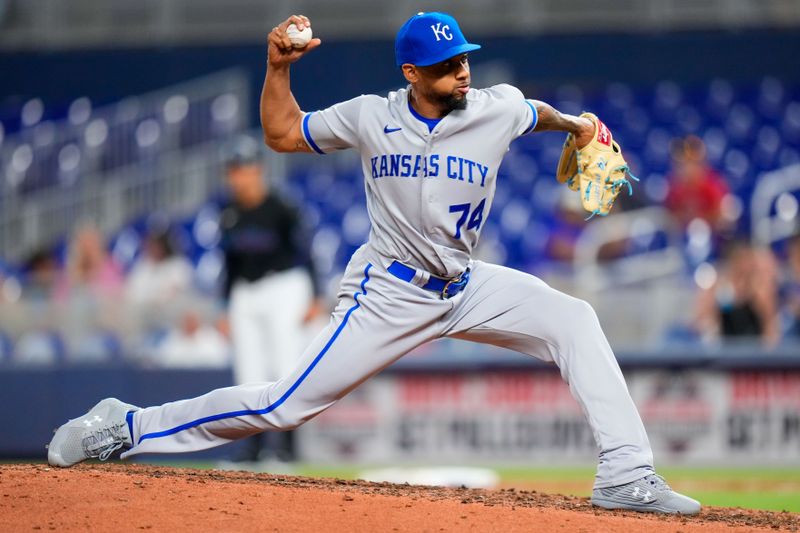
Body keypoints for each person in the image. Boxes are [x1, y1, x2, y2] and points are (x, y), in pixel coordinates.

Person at [47, 12, 700, 515]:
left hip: (467, 285)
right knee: (282, 405)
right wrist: (278, 68)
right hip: (388, 291)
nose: (462, 73)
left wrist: (579, 126)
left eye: (463, 59)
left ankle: (626, 473)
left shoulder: (497, 106)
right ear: (412, 74)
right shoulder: (369, 117)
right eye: (446, 65)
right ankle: (124, 425)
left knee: (574, 319)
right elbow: (281, 132)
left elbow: (540, 113)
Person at [220, 135, 324, 463]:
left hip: (284, 288)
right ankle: (252, 448)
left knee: (285, 369)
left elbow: (306, 251)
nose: (242, 174)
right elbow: (229, 264)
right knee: (248, 373)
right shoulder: (229, 213)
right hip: (245, 293)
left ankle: (287, 450)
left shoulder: (281, 206)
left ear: (259, 170)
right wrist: (224, 306)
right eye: (236, 168)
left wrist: (316, 295)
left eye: (247, 167)